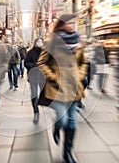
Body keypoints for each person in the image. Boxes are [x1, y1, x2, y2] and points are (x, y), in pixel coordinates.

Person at [37, 14, 88, 163]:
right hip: (56, 87)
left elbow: (84, 61)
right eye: (69, 22)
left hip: (74, 86)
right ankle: (57, 126)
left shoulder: (79, 40)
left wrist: (80, 74)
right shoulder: (52, 40)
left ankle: (67, 153)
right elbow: (42, 62)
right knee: (63, 119)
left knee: (72, 122)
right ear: (61, 24)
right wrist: (53, 77)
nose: (72, 24)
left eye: (74, 22)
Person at [24, 37, 44, 124]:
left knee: (45, 94)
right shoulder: (30, 52)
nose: (40, 43)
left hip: (43, 77)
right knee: (34, 95)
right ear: (35, 42)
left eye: (41, 41)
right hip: (33, 76)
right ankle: (36, 111)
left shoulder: (46, 53)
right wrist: (34, 66)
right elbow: (26, 63)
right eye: (38, 41)